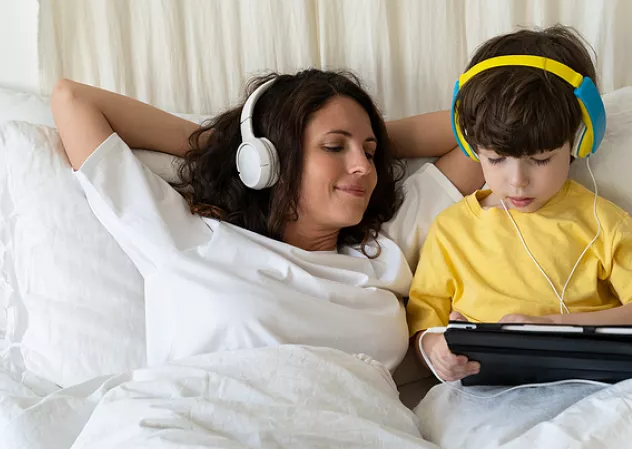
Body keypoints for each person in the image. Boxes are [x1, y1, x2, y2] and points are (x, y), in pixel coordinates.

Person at [50, 69, 483, 370]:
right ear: (268, 160)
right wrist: (233, 146)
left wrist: (368, 138)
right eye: (334, 147)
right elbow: (74, 99)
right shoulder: (183, 238)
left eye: (370, 154)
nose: (364, 168)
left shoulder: (383, 251)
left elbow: (491, 131)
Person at [408, 25, 632, 382]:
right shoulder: (451, 231)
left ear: (579, 141)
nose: (517, 180)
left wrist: (551, 327)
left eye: (541, 160)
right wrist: (435, 350)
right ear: (473, 148)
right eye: (496, 159)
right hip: (491, 395)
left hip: (595, 387)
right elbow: (423, 328)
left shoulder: (605, 223)